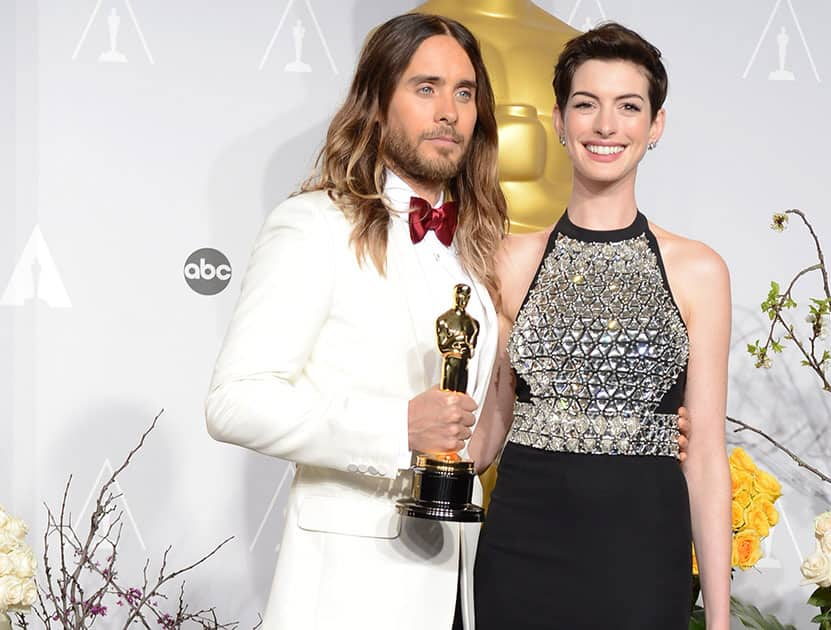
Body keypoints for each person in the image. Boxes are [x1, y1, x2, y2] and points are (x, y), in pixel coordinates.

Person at [204, 13, 506, 630]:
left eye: (464, 92)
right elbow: (234, 402)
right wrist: (400, 429)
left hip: (457, 586)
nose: (448, 110)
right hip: (350, 591)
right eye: (425, 88)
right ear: (376, 104)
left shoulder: (479, 250)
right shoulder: (314, 226)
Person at [471, 22, 733, 629]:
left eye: (629, 107)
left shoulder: (699, 271)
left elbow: (708, 459)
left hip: (642, 558)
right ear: (559, 122)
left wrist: (719, 618)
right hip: (520, 552)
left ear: (655, 125)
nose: (606, 125)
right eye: (586, 105)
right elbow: (492, 425)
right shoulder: (508, 261)